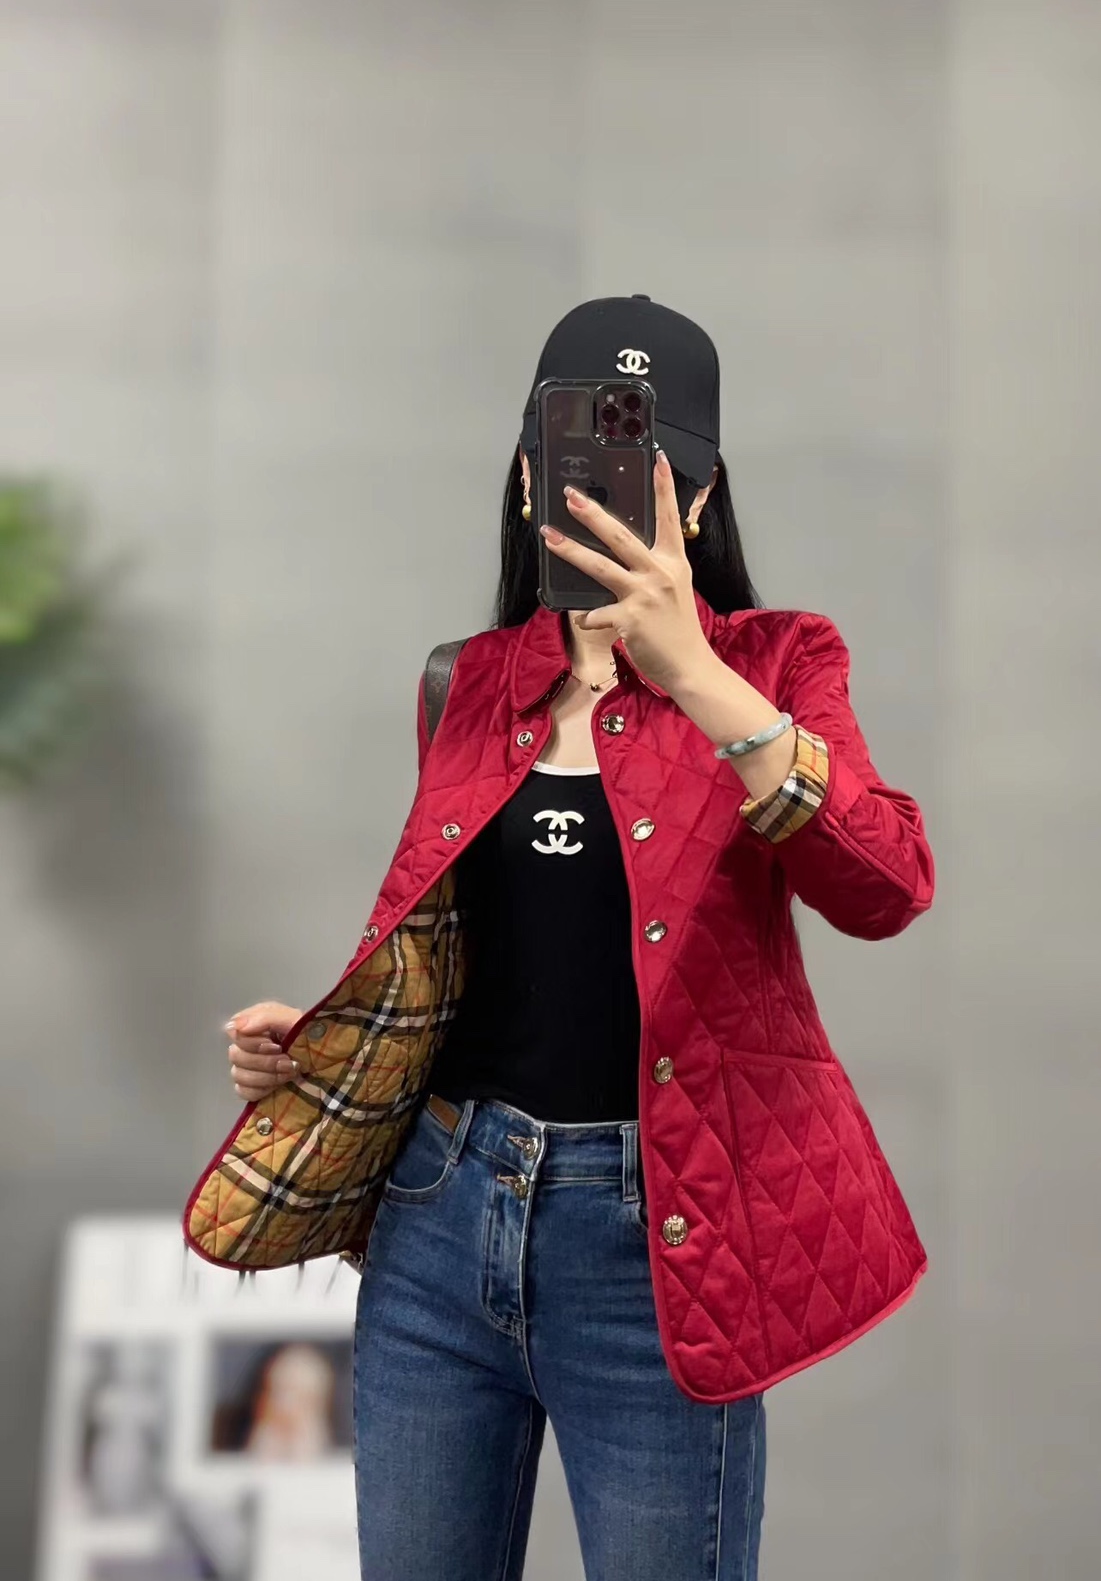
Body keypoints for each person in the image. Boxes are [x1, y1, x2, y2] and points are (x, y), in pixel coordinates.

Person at [222, 295, 935, 1581]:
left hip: (660, 1243)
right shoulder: (464, 682)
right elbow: (472, 949)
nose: (608, 505)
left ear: (699, 506)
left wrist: (692, 671)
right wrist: (334, 1039)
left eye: (652, 478)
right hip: (440, 1220)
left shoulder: (779, 664)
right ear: (525, 476)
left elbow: (886, 884)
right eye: (577, 468)